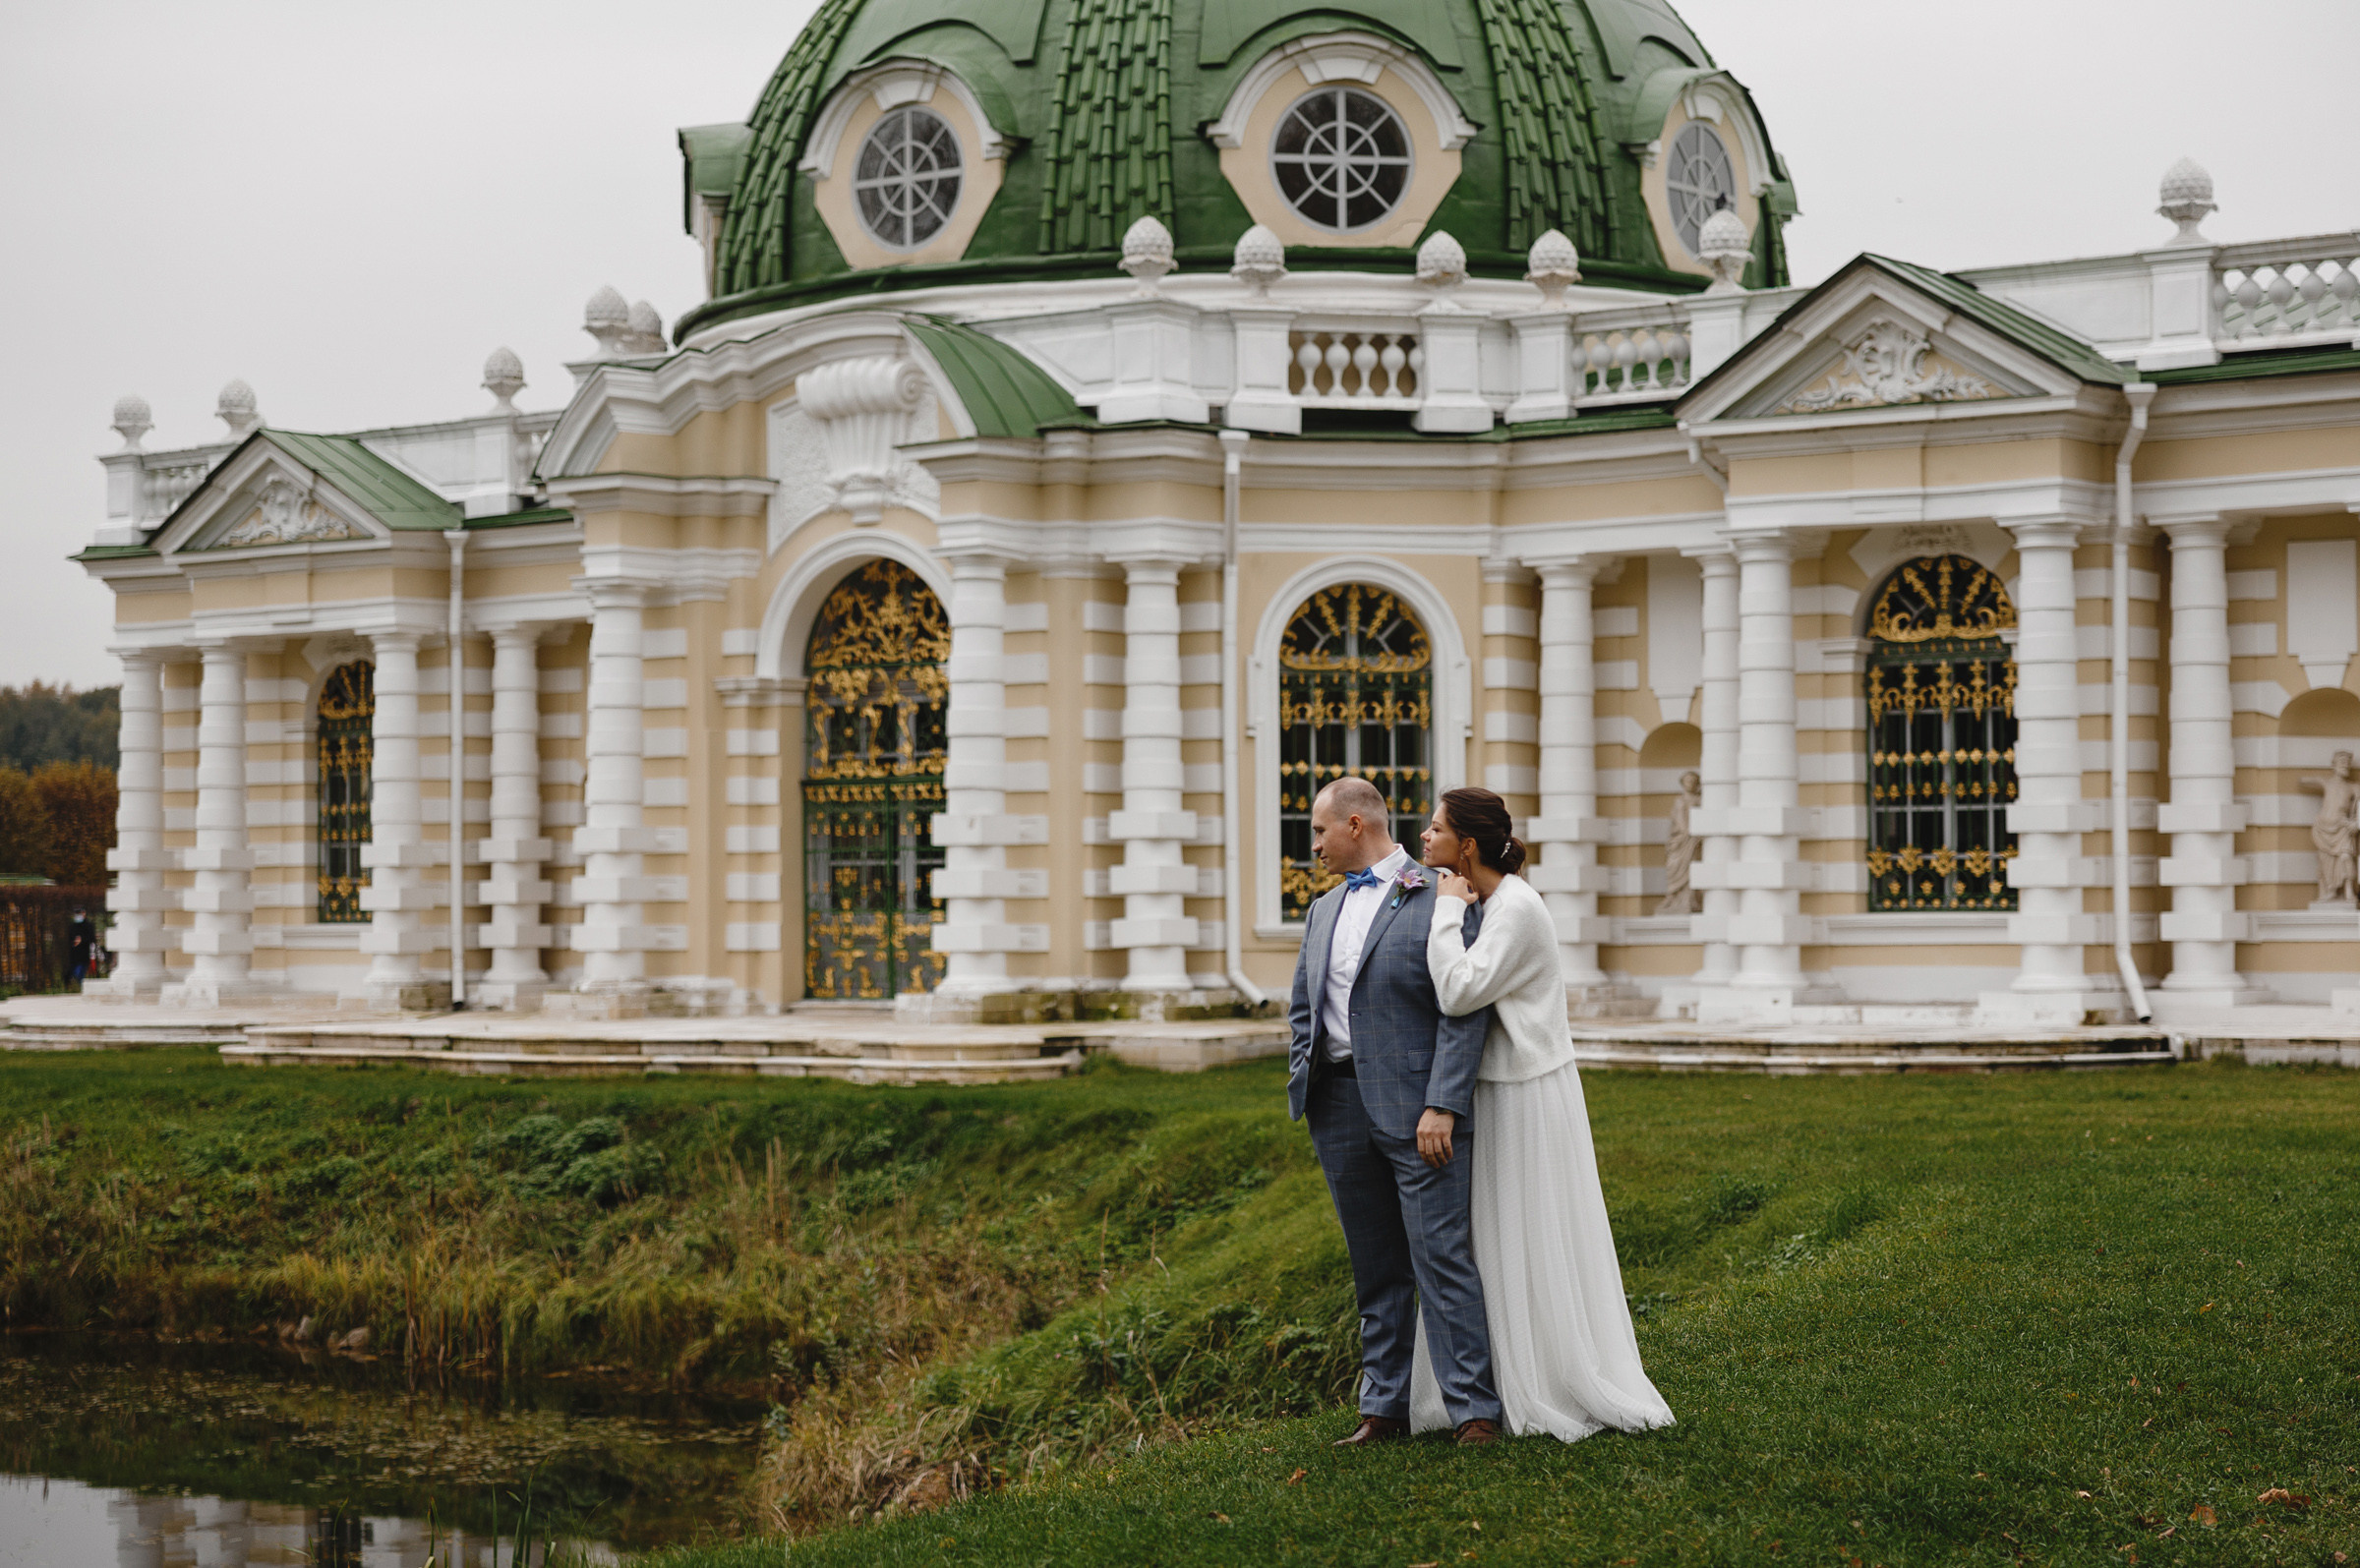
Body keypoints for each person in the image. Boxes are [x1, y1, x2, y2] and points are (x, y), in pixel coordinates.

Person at [1408, 785, 1677, 1442]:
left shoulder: (1518, 909)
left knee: (1530, 1231)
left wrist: (1444, 912)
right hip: (1498, 1087)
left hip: (1525, 1090)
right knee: (1492, 1234)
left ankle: (1549, 1380)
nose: (1424, 837)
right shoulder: (1495, 901)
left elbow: (1460, 987)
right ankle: (1489, 1377)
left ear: (1465, 846)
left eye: (1435, 829)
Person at [1286, 776, 1504, 1447]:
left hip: (1419, 1112)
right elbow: (1305, 1005)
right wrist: (1306, 1074)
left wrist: (1443, 1101)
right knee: (1374, 1261)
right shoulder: (1322, 910)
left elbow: (1462, 1010)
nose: (1313, 843)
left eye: (1320, 830)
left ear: (1357, 824)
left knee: (1440, 1255)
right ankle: (1383, 1407)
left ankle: (1474, 1409)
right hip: (1339, 1104)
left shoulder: (1436, 889)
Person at [67, 909, 95, 985]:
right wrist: (74, 942)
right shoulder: (72, 926)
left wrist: (82, 940)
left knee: (81, 970)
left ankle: (80, 984)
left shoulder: (88, 926)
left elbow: (92, 938)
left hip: (84, 952)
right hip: (74, 953)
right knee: (75, 970)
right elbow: (69, 938)